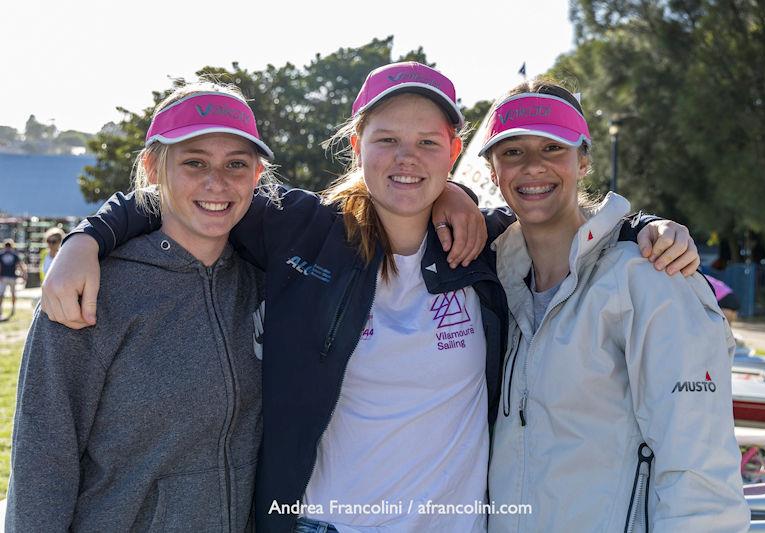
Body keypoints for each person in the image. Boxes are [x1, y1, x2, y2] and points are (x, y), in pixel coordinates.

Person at [41, 63, 699, 532]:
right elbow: (193, 189)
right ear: (358, 146)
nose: (404, 159)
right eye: (386, 140)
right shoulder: (302, 230)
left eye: (425, 143)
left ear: (455, 149)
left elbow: (569, 225)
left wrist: (644, 227)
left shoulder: (489, 248)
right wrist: (85, 237)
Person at [480, 79, 749, 531]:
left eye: (552, 148)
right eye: (512, 152)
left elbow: (699, 467)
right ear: (492, 171)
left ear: (583, 161)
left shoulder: (649, 275)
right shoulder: (495, 280)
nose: (532, 167)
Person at [6, 82, 271, 531]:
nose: (217, 183)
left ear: (257, 176)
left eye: (236, 164)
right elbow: (42, 459)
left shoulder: (263, 285)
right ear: (152, 168)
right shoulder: (91, 291)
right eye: (194, 162)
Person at [0, 238, 27, 319]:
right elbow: (20, 265)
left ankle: (1, 310)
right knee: (12, 294)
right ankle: (13, 309)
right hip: (11, 277)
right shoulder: (15, 254)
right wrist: (24, 275)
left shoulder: (1, 254)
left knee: (1, 294)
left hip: (4, 277)